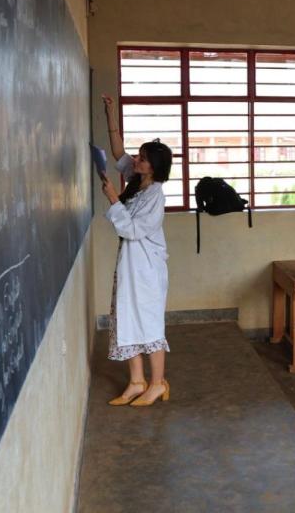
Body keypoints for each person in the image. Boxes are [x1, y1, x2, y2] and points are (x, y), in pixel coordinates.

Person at [101, 94, 174, 408]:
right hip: (130, 266)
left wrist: (114, 200)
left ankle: (157, 383)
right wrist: (110, 114)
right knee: (127, 319)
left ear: (154, 167)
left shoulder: (155, 195)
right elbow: (118, 152)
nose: (135, 161)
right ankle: (136, 381)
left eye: (142, 158)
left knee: (148, 322)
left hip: (145, 269)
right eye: (139, 156)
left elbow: (131, 230)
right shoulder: (137, 181)